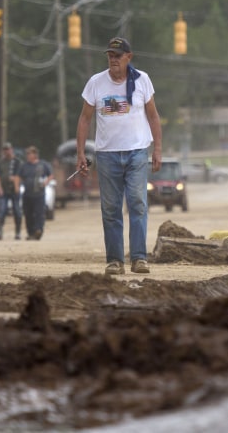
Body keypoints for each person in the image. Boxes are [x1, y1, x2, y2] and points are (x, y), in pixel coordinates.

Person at [76, 37, 162, 276]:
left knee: (137, 203)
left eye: (118, 56)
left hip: (136, 152)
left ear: (128, 57)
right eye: (110, 56)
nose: (113, 60)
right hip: (106, 156)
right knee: (111, 209)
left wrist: (157, 149)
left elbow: (153, 116)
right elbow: (85, 119)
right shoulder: (96, 83)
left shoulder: (142, 80)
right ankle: (115, 260)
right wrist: (81, 152)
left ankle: (138, 258)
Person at [15, 146, 52, 240]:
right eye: (27, 154)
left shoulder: (43, 165)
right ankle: (31, 233)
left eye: (29, 153)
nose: (28, 156)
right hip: (27, 194)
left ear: (35, 154)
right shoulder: (24, 166)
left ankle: (38, 230)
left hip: (39, 194)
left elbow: (51, 175)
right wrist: (17, 187)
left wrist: (45, 182)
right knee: (28, 214)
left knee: (39, 213)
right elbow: (18, 177)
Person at [0, 142, 23, 240]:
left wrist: (16, 181)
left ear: (12, 149)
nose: (7, 151)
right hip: (4, 190)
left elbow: (21, 175)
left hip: (14, 190)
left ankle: (18, 231)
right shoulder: (0, 162)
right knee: (2, 210)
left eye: (8, 149)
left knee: (17, 211)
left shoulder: (17, 162)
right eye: (5, 149)